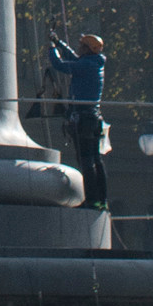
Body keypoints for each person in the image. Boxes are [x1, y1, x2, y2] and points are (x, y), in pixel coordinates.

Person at [45, 31, 109, 208]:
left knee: (86, 159)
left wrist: (52, 49)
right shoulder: (93, 63)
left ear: (87, 49)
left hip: (84, 118)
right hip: (92, 118)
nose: (79, 48)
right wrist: (59, 43)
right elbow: (73, 58)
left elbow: (61, 65)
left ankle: (92, 199)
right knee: (96, 159)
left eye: (82, 46)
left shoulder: (86, 65)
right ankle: (101, 199)